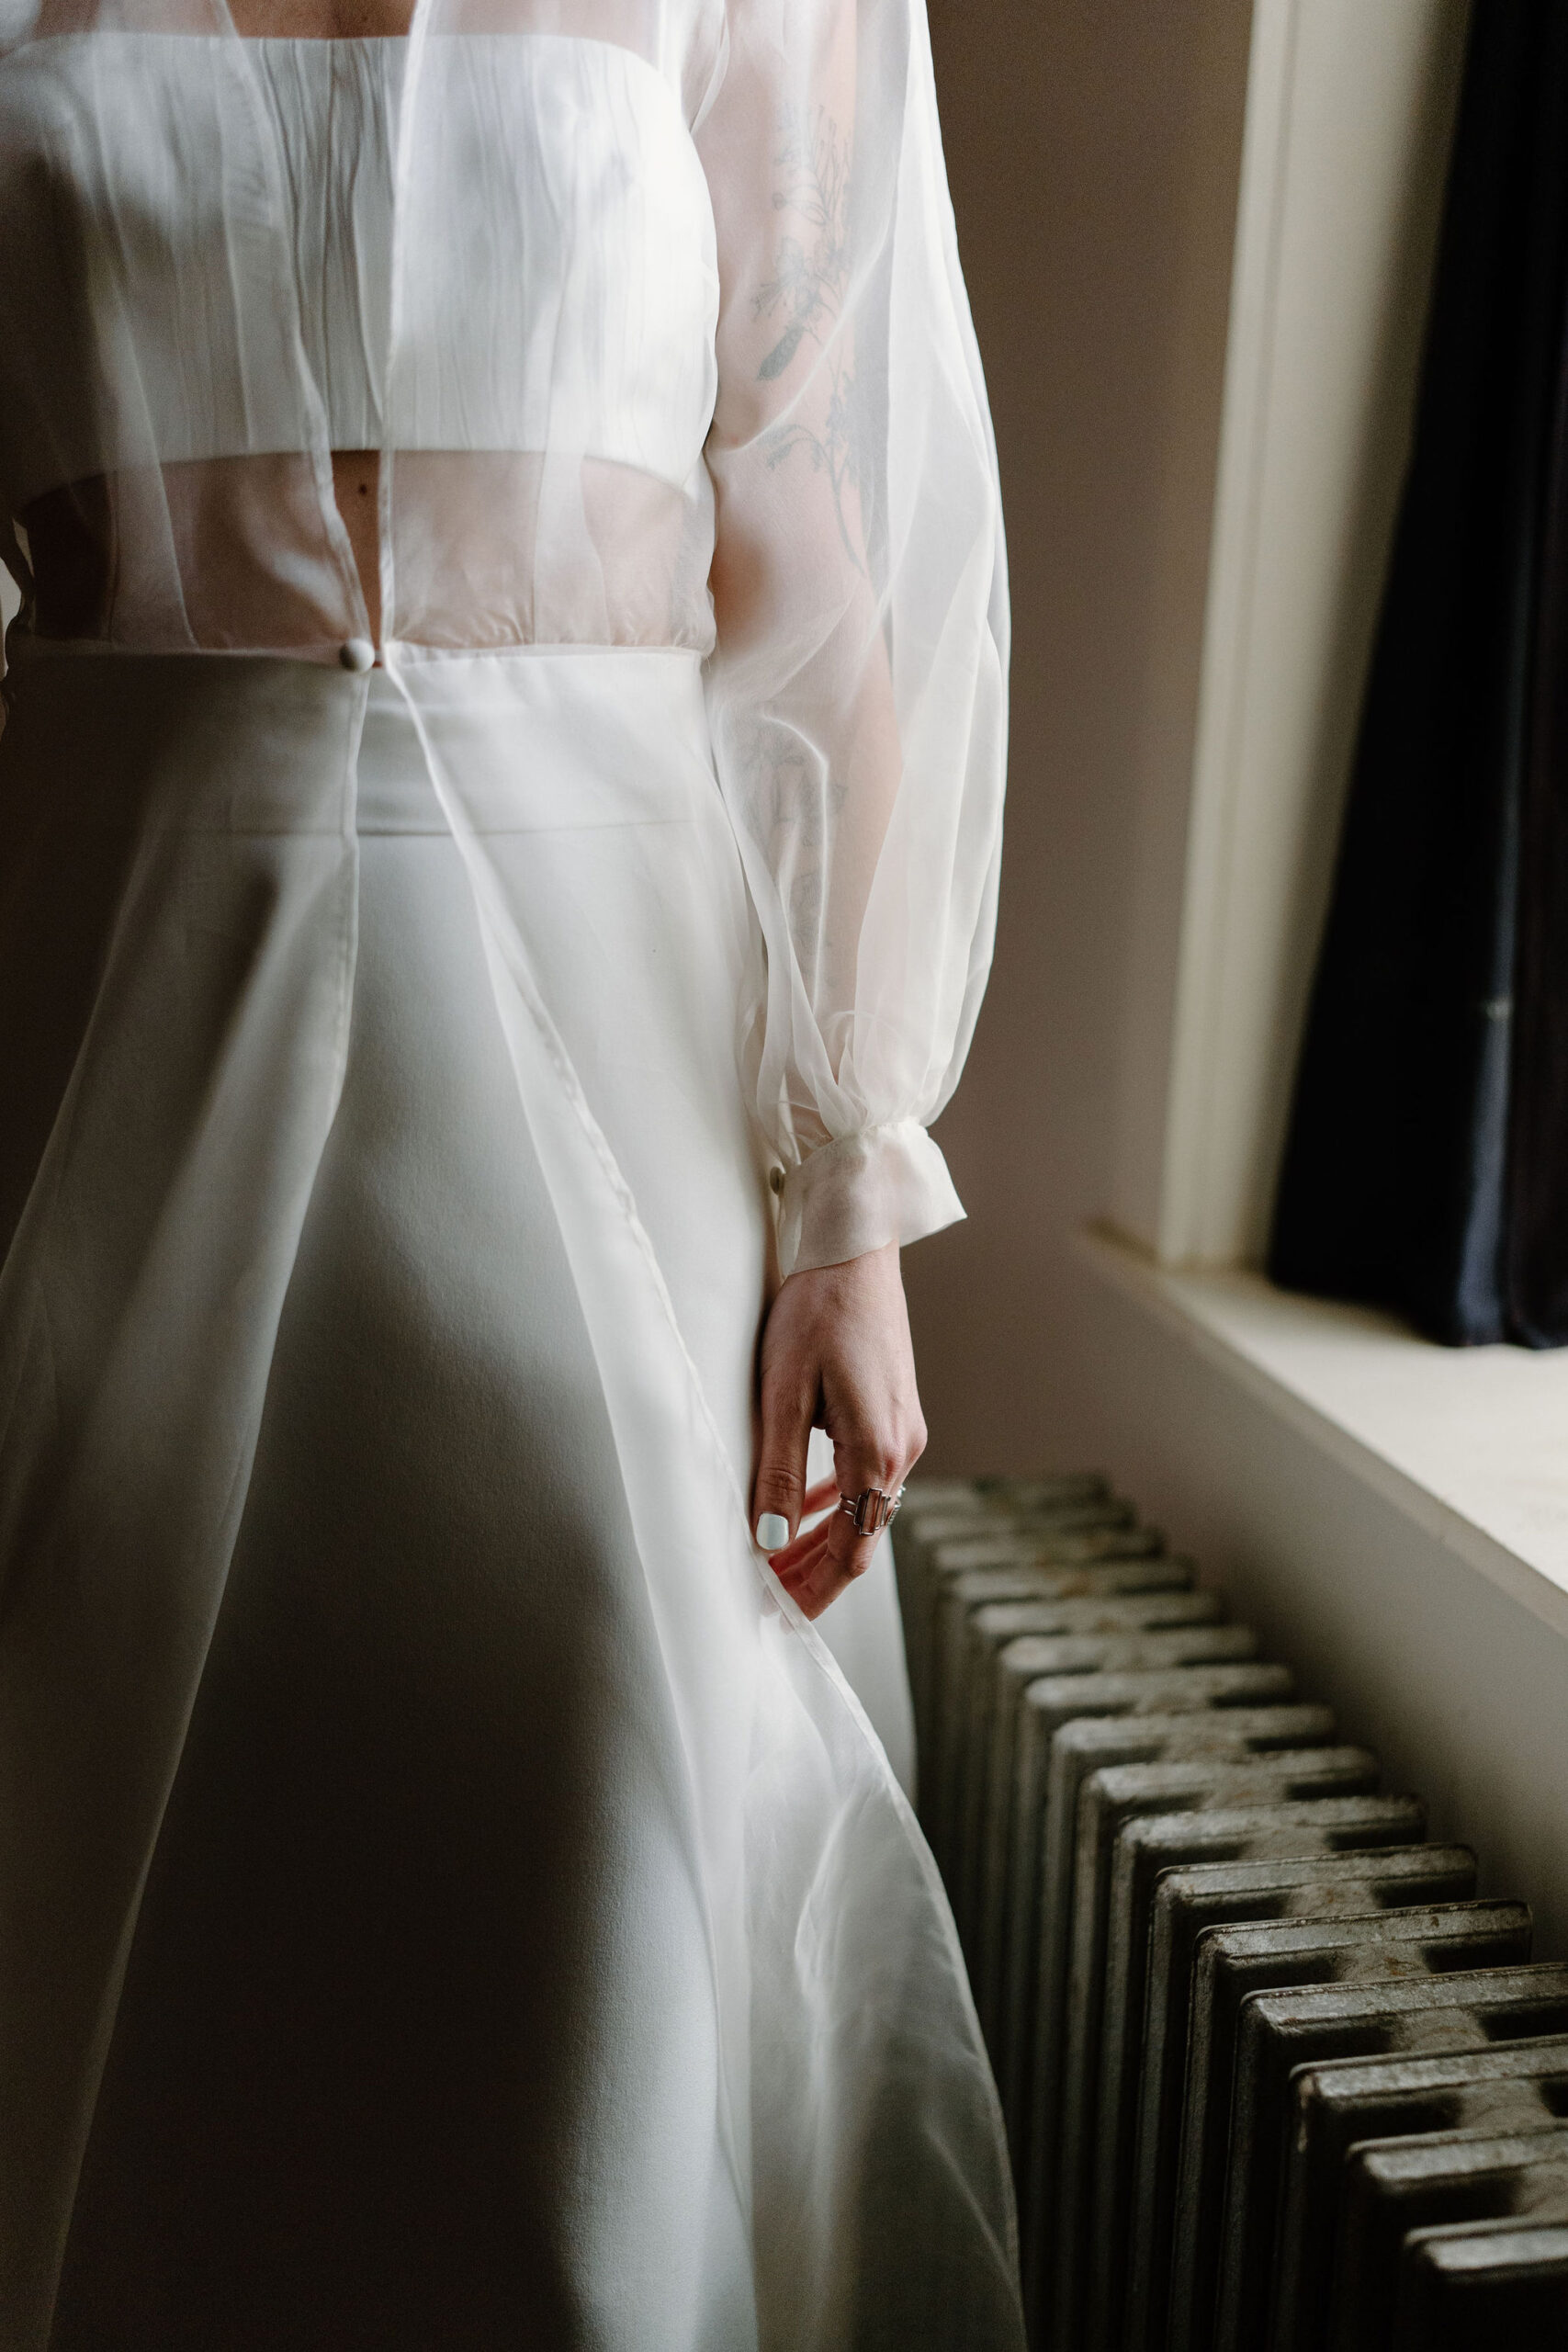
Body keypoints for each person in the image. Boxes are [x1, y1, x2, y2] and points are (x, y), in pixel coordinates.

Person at [0, 0, 1018, 2339]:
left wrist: (850, 1180)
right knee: (90, 1862)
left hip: (609, 1056)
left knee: (580, 1872)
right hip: (94, 1015)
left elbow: (812, 560)